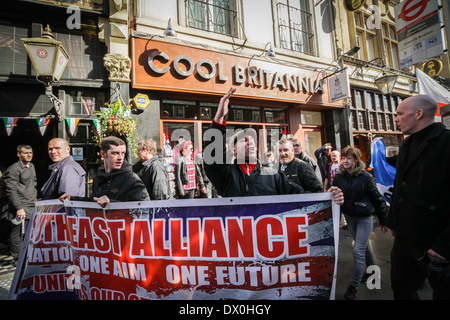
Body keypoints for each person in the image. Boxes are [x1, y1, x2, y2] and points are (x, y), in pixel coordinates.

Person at [203, 87, 344, 204]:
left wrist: (328, 197)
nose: (250, 142)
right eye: (244, 140)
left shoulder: (273, 175)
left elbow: (301, 196)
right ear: (234, 150)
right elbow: (213, 156)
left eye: (252, 140)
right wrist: (219, 118)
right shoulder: (225, 175)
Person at [387, 95, 450, 300]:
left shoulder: (446, 143)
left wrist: (445, 244)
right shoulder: (407, 144)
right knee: (401, 288)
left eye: (399, 114)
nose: (395, 119)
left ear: (419, 113)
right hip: (404, 237)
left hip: (434, 240)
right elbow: (401, 187)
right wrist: (394, 221)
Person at [332, 145, 388, 300]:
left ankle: (353, 287)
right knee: (363, 247)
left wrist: (384, 221)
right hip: (349, 217)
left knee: (358, 250)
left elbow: (378, 200)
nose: (345, 161)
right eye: (343, 158)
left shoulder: (365, 177)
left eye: (349, 158)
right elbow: (333, 193)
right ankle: (373, 273)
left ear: (356, 160)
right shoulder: (339, 177)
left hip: (364, 218)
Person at [60, 136, 149, 207]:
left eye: (123, 153)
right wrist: (72, 199)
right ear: (103, 154)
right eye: (115, 153)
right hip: (104, 227)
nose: (120, 158)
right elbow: (94, 201)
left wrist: (111, 202)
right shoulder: (98, 177)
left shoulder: (130, 177)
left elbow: (145, 205)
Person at [3, 145, 37, 265]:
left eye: (31, 152)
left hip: (31, 205)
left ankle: (27, 256)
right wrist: (19, 208)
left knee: (29, 232)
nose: (29, 155)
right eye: (25, 153)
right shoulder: (13, 169)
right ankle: (17, 259)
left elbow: (32, 185)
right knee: (17, 233)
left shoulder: (31, 166)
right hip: (20, 206)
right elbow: (10, 190)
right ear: (19, 154)